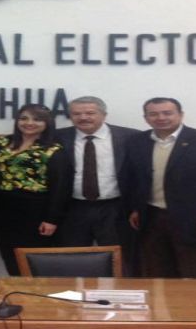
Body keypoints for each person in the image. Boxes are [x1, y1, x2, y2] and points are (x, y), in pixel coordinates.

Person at [126, 97, 196, 278]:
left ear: (181, 115)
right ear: (146, 118)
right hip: (152, 218)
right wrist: (136, 208)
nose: (161, 118)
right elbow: (134, 178)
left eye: (167, 113)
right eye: (153, 114)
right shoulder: (137, 141)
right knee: (156, 273)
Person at [54, 96, 139, 264]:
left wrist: (137, 207)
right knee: (72, 260)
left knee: (119, 260)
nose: (83, 117)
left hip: (115, 209)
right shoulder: (58, 137)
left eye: (90, 113)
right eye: (76, 114)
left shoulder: (130, 137)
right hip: (72, 209)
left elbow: (140, 174)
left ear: (104, 115)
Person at [0, 104, 67, 276]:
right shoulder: (2, 143)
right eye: (23, 118)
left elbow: (61, 187)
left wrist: (52, 219)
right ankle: (17, 291)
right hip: (4, 209)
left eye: (37, 119)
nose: (29, 123)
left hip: (37, 211)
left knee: (34, 262)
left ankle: (34, 292)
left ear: (47, 123)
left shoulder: (53, 149)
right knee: (10, 257)